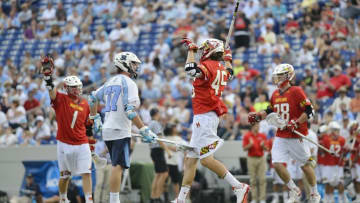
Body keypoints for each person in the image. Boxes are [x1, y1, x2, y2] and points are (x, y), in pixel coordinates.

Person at [172, 38, 249, 203]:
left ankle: (238, 186)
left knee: (206, 160)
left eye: (203, 49)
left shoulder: (209, 66)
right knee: (190, 160)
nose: (200, 52)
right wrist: (227, 58)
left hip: (205, 116)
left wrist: (191, 51)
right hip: (206, 115)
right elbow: (230, 72)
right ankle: (181, 199)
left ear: (211, 50)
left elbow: (190, 69)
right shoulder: (221, 67)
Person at [88, 51, 157, 203]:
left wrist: (95, 117)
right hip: (119, 129)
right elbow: (130, 111)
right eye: (133, 64)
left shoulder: (110, 81)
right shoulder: (129, 83)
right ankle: (114, 201)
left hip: (109, 128)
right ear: (124, 64)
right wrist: (143, 129)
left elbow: (92, 97)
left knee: (117, 165)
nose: (136, 67)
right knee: (117, 166)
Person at [248, 63, 321, 203]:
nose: (277, 78)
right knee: (276, 163)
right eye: (277, 76)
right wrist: (258, 116)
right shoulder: (275, 93)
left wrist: (297, 122)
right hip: (281, 135)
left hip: (296, 135)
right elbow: (270, 110)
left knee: (305, 166)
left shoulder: (296, 91)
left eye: (280, 75)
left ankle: (314, 193)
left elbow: (309, 111)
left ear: (288, 76)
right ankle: (294, 189)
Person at [40, 56, 94, 203]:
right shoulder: (61, 99)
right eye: (74, 87)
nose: (77, 89)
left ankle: (89, 200)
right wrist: (48, 76)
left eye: (78, 86)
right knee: (65, 176)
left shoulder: (85, 103)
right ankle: (63, 199)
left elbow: (88, 125)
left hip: (82, 142)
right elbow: (51, 90)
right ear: (67, 88)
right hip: (64, 143)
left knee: (86, 172)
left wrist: (92, 139)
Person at [148, 108, 171, 203]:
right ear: (156, 113)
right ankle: (157, 196)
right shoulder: (155, 124)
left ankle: (153, 197)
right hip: (158, 150)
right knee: (164, 173)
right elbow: (159, 139)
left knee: (158, 174)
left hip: (153, 151)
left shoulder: (151, 124)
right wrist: (168, 151)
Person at [321, 121, 346, 203]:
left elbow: (344, 151)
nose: (337, 132)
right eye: (335, 130)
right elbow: (323, 151)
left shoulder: (342, 139)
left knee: (340, 183)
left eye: (337, 130)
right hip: (328, 164)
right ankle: (329, 199)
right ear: (331, 130)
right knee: (328, 183)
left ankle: (341, 199)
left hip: (338, 164)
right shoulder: (326, 139)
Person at [242, 123, 268, 203]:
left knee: (262, 179)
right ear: (252, 127)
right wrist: (250, 144)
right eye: (256, 126)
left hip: (261, 158)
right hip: (251, 158)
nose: (258, 127)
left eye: (258, 126)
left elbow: (267, 148)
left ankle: (262, 199)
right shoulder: (247, 136)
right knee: (253, 180)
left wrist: (263, 146)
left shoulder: (262, 136)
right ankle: (254, 198)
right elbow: (244, 148)